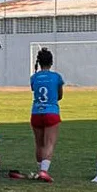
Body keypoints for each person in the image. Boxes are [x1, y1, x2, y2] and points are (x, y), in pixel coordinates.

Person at [30, 48, 64, 183]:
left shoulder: (34, 77)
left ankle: (40, 170)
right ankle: (44, 171)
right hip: (51, 111)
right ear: (51, 62)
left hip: (36, 112)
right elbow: (60, 95)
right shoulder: (56, 77)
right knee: (49, 143)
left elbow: (34, 89)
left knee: (39, 143)